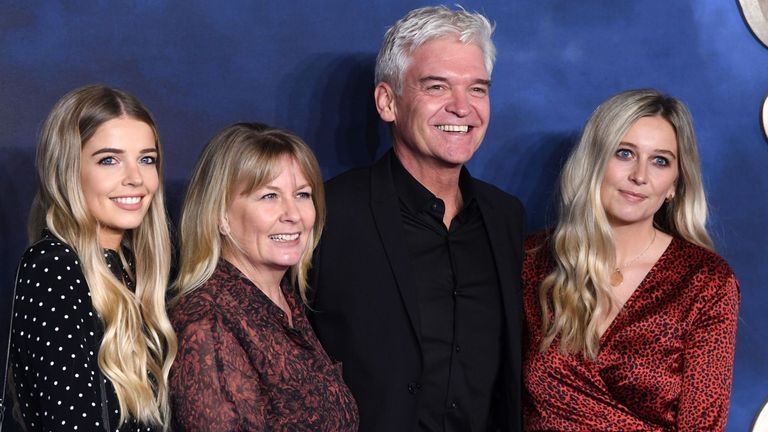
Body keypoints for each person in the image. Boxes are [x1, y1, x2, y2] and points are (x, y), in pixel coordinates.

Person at [309, 6, 525, 431]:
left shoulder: (507, 219)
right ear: (388, 101)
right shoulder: (328, 214)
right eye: (437, 86)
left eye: (478, 89)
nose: (462, 108)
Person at [523, 89, 739, 431]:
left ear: (674, 185)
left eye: (660, 161)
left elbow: (704, 425)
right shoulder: (533, 262)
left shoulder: (705, 282)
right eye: (624, 153)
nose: (640, 175)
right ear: (594, 162)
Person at [6, 85, 177, 431]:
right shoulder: (54, 267)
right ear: (67, 170)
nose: (135, 179)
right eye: (109, 160)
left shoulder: (130, 268)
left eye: (147, 159)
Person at [168, 123, 358, 431]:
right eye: (269, 196)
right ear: (220, 216)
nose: (293, 214)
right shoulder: (207, 320)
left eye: (302, 194)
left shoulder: (287, 301)